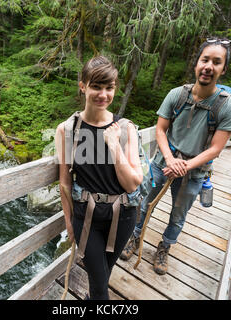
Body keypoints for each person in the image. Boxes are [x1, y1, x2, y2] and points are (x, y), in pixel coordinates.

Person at [120, 37, 231, 275]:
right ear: (197, 63)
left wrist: (184, 166)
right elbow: (161, 129)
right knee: (143, 203)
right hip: (161, 163)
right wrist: (171, 159)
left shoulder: (227, 107)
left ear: (223, 69)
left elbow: (216, 148)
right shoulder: (177, 95)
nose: (208, 66)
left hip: (194, 172)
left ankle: (164, 247)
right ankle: (135, 237)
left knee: (178, 214)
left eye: (216, 62)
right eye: (205, 59)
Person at [55, 56, 143, 299]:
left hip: (123, 213)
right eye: (96, 86)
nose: (103, 94)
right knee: (98, 282)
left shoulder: (125, 129)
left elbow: (132, 182)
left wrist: (113, 145)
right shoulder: (68, 129)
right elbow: (65, 182)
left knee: (103, 273)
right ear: (82, 86)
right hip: (86, 214)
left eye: (109, 87)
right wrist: (69, 222)